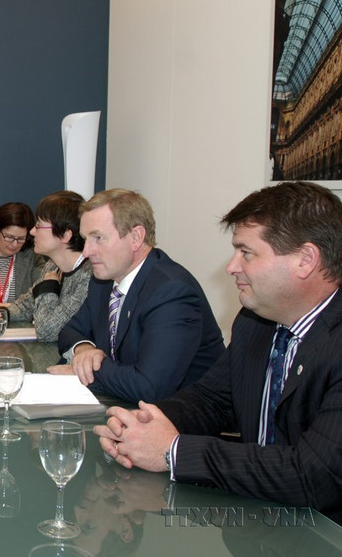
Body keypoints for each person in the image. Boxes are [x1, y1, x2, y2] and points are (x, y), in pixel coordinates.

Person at [95, 181, 342, 524]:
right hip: (255, 522)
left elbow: (314, 475)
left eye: (247, 253)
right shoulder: (255, 322)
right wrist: (143, 425)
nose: (231, 267)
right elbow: (213, 399)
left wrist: (172, 452)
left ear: (305, 260)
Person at [50, 188, 224, 402]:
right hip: (124, 409)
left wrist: (88, 372)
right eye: (86, 239)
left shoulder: (172, 292)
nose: (87, 251)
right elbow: (71, 330)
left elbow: (149, 386)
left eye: (98, 238)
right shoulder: (103, 282)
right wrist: (85, 349)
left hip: (180, 424)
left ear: (136, 237)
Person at [0, 191, 92, 342]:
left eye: (38, 226)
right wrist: (3, 313)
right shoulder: (52, 266)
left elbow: (47, 331)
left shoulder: (88, 277)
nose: (32, 232)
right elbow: (27, 305)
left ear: (65, 235)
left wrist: (49, 286)